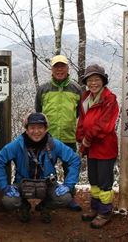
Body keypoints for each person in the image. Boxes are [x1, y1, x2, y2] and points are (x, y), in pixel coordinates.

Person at [0, 113, 81, 224]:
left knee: (65, 199)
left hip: (48, 183)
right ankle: (24, 207)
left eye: (40, 127)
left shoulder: (54, 144)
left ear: (45, 128)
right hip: (22, 182)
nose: (36, 131)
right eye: (32, 127)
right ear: (26, 129)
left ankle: (44, 207)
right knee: (9, 201)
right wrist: (4, 186)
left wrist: (68, 184)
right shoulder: (17, 145)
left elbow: (74, 160)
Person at [35, 55, 83, 211]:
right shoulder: (43, 89)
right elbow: (39, 113)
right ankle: (45, 196)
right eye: (56, 66)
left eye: (62, 66)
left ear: (68, 69)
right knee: (45, 169)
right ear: (52, 69)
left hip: (69, 136)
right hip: (49, 137)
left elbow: (79, 113)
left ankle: (70, 196)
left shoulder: (76, 89)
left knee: (70, 168)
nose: (59, 69)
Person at [75, 64, 119, 229]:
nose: (93, 83)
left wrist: (88, 137)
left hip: (105, 147)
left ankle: (105, 211)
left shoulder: (109, 99)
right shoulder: (86, 98)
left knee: (104, 182)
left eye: (97, 80)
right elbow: (82, 120)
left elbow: (105, 124)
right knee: (93, 180)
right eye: (90, 80)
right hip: (91, 147)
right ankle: (95, 207)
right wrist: (81, 137)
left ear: (103, 81)